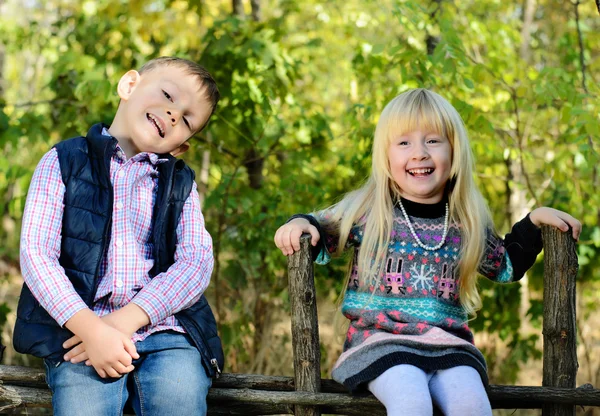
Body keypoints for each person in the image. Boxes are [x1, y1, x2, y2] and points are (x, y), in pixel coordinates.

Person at [274, 88, 581, 416]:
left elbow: (505, 265)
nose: (419, 153)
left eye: (433, 141)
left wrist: (533, 223)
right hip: (380, 341)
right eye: (404, 143)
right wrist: (300, 224)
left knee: (473, 405)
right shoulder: (369, 209)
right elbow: (324, 228)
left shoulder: (465, 220)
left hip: (447, 342)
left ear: (454, 151)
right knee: (412, 402)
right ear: (386, 155)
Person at [14, 56, 224, 416]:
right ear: (129, 86)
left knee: (179, 398)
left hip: (165, 330)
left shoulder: (180, 184)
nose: (174, 114)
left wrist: (124, 321)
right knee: (85, 407)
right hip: (79, 331)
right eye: (168, 96)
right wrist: (92, 330)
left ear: (181, 146)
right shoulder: (64, 160)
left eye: (187, 120)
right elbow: (37, 254)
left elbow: (196, 264)